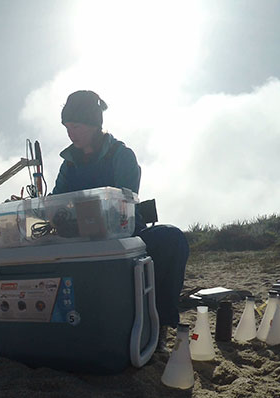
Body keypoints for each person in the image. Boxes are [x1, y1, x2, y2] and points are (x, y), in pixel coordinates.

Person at [52, 90, 189, 349]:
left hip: (125, 235)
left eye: (76, 126)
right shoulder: (68, 164)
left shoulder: (121, 155)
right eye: (67, 127)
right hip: (78, 238)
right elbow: (56, 202)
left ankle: (159, 323)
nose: (70, 133)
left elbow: (125, 202)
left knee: (172, 239)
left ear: (94, 124)